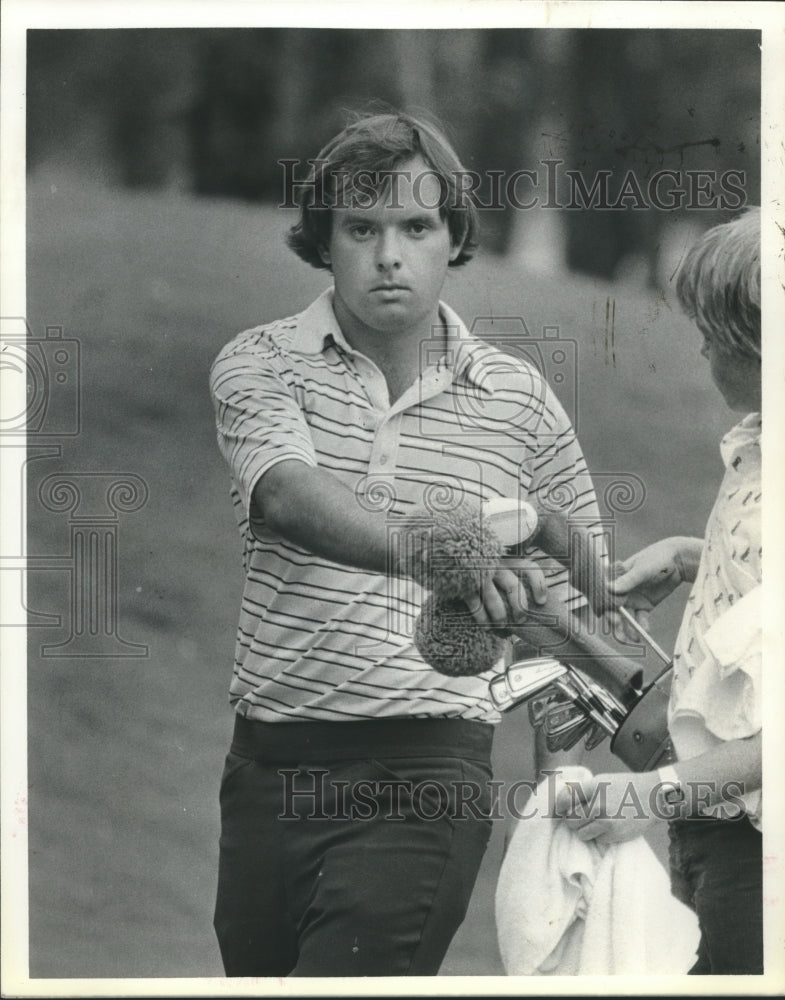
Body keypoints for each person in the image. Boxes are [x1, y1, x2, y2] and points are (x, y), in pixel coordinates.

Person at [209, 109, 606, 977]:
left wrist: (555, 797)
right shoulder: (259, 363)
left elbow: (573, 611)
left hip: (425, 774)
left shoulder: (520, 399)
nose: (389, 254)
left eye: (416, 226)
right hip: (267, 769)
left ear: (453, 234)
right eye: (361, 227)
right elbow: (284, 493)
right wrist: (430, 551)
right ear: (324, 238)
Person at [556, 208, 763, 975]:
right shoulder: (755, 450)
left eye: (716, 332)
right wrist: (688, 558)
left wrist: (646, 798)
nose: (701, 346)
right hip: (708, 829)